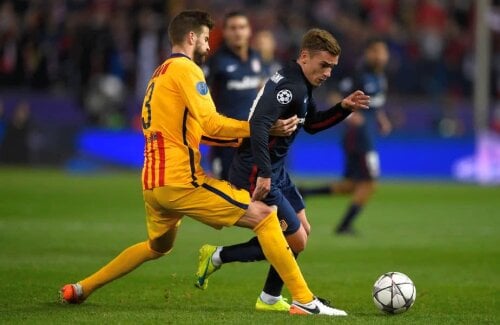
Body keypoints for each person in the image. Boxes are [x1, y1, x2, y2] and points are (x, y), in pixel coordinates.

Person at [59, 10, 346, 317]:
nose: (210, 46)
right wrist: (260, 128)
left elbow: (197, 133)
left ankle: (81, 288)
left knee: (157, 247)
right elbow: (210, 124)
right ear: (192, 37)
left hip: (153, 184)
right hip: (182, 181)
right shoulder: (188, 70)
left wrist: (241, 138)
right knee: (264, 215)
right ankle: (302, 299)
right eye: (207, 39)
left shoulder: (160, 74)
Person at [194, 28, 370, 312]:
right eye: (323, 65)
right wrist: (263, 173)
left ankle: (270, 297)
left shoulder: (301, 81)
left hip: (276, 169)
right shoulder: (290, 86)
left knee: (302, 234)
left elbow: (311, 125)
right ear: (304, 57)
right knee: (296, 238)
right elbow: (259, 125)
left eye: (332, 68)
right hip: (257, 169)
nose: (327, 73)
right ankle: (220, 257)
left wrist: (343, 107)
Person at [300, 38, 392, 235]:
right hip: (358, 136)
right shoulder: (359, 74)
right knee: (370, 183)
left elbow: (375, 104)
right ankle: (344, 225)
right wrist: (351, 116)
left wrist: (382, 119)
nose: (380, 56)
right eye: (376, 51)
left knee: (351, 185)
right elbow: (335, 95)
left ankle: (305, 192)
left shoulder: (380, 77)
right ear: (368, 53)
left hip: (367, 134)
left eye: (383, 52)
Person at [205, 11, 267, 180]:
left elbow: (264, 92)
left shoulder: (257, 58)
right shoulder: (216, 61)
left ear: (249, 31)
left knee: (255, 194)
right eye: (233, 28)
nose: (238, 32)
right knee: (227, 192)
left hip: (253, 139)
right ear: (224, 32)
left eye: (242, 27)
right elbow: (203, 98)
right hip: (226, 140)